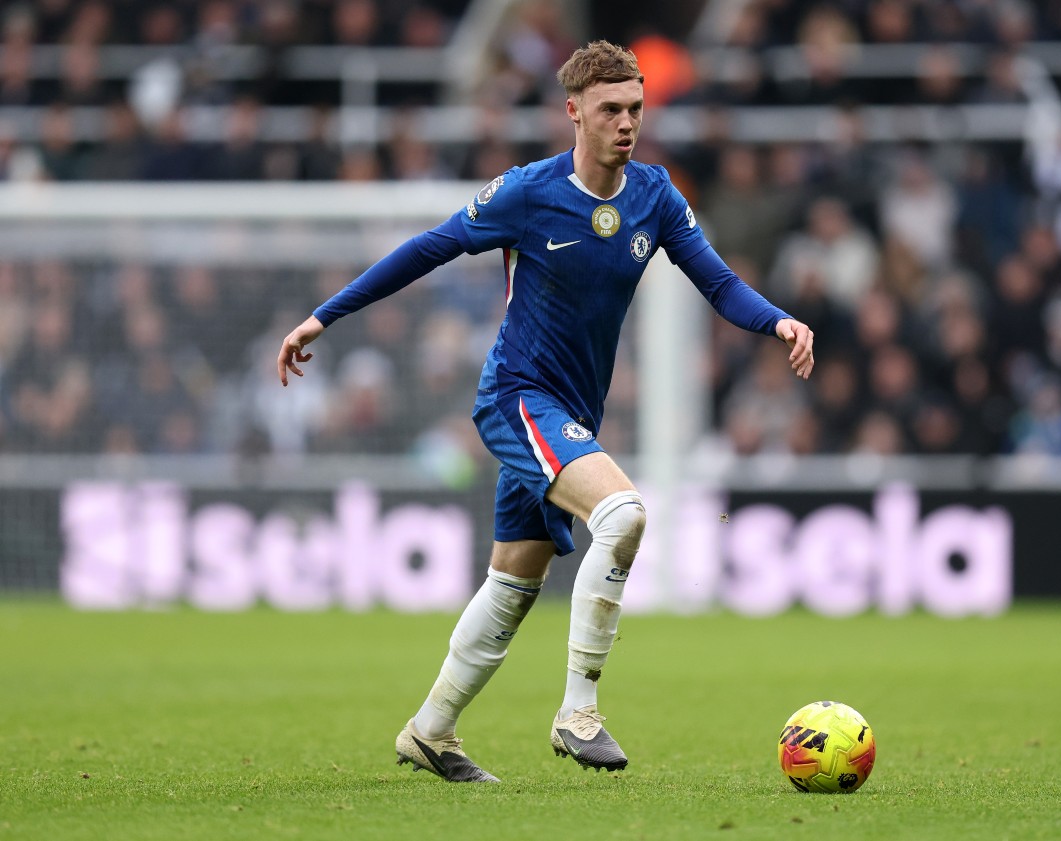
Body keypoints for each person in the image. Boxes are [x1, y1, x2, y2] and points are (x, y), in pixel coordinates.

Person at [276, 41, 815, 783]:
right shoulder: (528, 193)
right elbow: (428, 248)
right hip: (517, 397)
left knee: (512, 585)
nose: (627, 123)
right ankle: (578, 711)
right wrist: (323, 317)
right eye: (610, 110)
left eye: (635, 108)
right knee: (623, 513)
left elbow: (719, 284)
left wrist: (778, 321)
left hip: (571, 414)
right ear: (574, 112)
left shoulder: (655, 196)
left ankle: (429, 731)